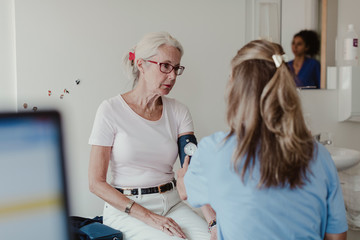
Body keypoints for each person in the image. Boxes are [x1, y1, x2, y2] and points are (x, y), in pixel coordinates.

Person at [177, 40, 348, 240]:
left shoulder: (214, 150)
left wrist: (182, 177)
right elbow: (337, 237)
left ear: (234, 87)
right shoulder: (318, 156)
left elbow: (185, 192)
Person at [88, 31, 215, 240]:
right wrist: (149, 217)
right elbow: (96, 183)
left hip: (172, 204)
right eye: (165, 66)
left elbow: (190, 172)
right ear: (141, 64)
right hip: (128, 209)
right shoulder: (110, 110)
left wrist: (213, 222)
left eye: (176, 68)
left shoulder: (179, 111)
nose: (172, 76)